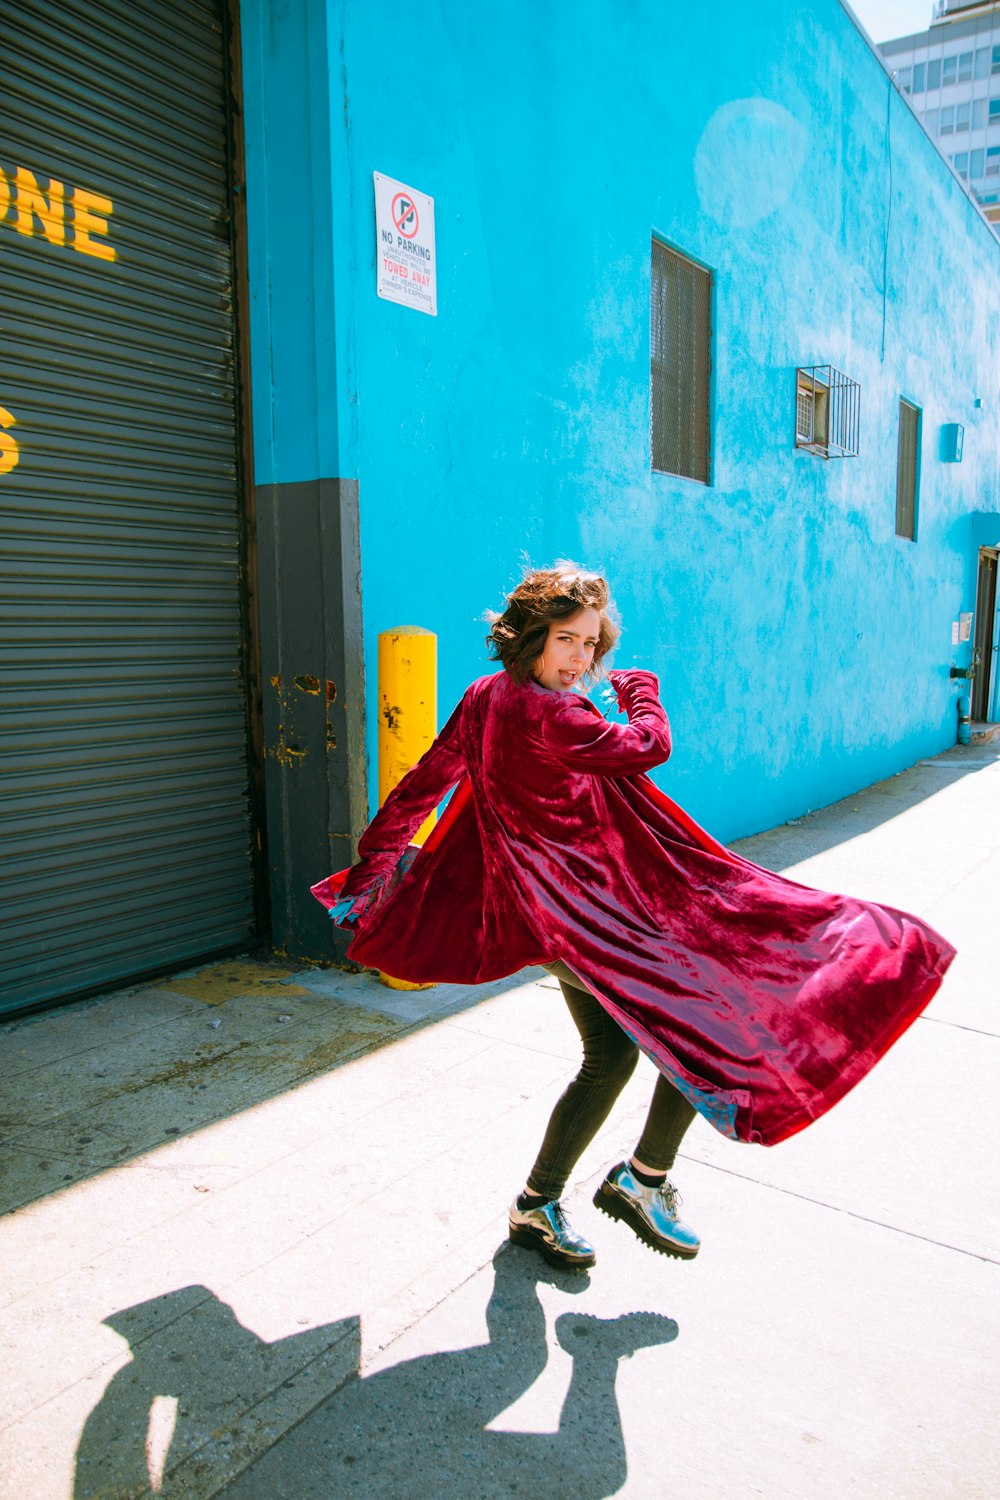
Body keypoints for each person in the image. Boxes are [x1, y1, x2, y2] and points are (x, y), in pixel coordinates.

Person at [312, 563, 955, 1271]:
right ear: (528, 637)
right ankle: (642, 1180)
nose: (581, 658)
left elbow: (422, 784)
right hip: (597, 920)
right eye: (566, 640)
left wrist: (371, 878)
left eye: (591, 644)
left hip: (554, 917)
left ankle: (542, 1204)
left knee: (615, 1051)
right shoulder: (559, 713)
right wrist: (644, 695)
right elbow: (649, 747)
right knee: (702, 1022)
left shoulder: (484, 697)